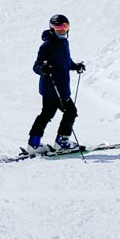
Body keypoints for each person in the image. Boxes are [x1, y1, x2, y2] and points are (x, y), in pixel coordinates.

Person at [28, 13, 85, 150]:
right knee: (71, 111)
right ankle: (62, 141)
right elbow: (36, 66)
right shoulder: (47, 45)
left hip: (58, 87)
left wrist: (75, 66)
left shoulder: (64, 42)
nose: (61, 30)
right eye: (58, 27)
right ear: (51, 28)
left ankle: (34, 143)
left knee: (46, 114)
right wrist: (43, 68)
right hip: (54, 87)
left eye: (65, 27)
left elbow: (65, 62)